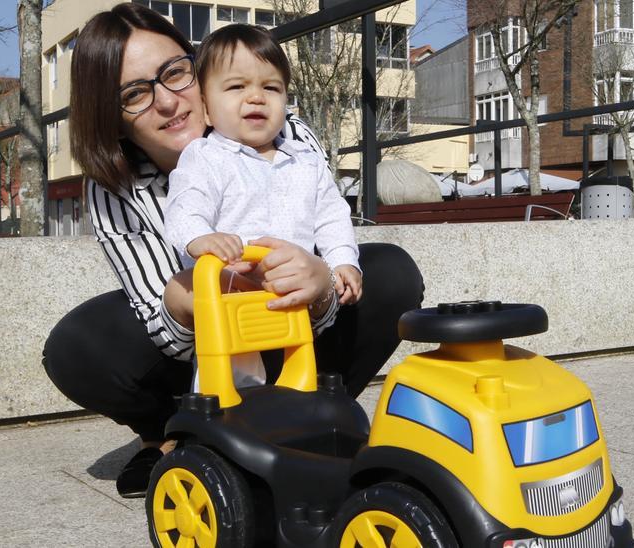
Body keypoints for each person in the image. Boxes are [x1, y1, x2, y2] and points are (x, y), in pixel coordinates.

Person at [40, 3, 424, 499]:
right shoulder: (115, 187)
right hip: (206, 336)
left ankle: (310, 413)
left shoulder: (285, 134)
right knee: (79, 342)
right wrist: (202, 288)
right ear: (110, 115)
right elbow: (164, 329)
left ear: (197, 69)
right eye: (135, 93)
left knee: (389, 270)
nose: (167, 101)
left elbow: (328, 211)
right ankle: (174, 431)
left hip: (298, 321)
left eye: (175, 73)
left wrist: (324, 280)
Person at [163, 24, 362, 306]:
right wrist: (200, 237)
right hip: (232, 292)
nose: (256, 97)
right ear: (206, 109)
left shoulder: (305, 160)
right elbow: (185, 204)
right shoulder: (206, 156)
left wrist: (342, 260)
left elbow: (332, 217)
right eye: (236, 86)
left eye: (271, 87)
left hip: (295, 294)